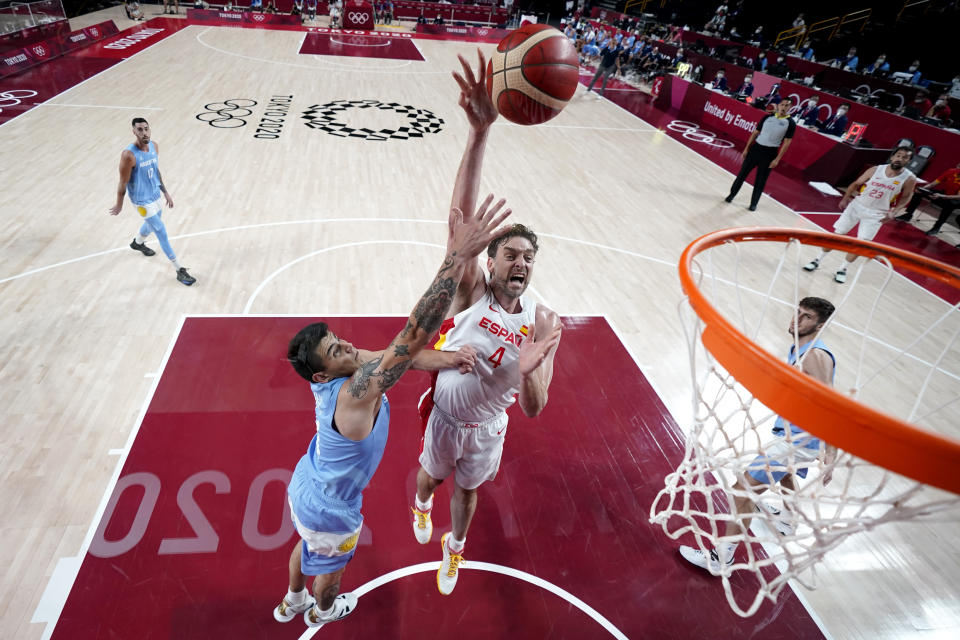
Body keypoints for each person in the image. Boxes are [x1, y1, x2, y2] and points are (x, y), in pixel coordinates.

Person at [274, 194, 512, 628]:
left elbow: (397, 355)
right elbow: (411, 336)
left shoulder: (341, 369)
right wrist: (455, 257)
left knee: (305, 544)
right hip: (332, 508)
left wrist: (449, 358)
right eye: (334, 349)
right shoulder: (355, 392)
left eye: (338, 338)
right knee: (330, 568)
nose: (346, 345)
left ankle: (292, 599)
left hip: (306, 482)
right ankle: (322, 610)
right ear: (322, 376)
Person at [410, 51, 563, 596]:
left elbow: (535, 409)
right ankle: (421, 503)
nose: (520, 262)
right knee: (429, 478)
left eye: (528, 257)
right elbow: (460, 224)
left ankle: (455, 550)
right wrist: (479, 135)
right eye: (511, 254)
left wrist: (533, 363)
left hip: (488, 430)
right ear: (492, 262)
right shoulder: (473, 290)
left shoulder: (543, 322)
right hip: (446, 416)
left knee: (469, 494)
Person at [679, 297, 837, 571]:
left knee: (743, 490)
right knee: (784, 474)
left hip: (798, 440)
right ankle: (786, 519)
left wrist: (831, 453)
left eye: (807, 317)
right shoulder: (800, 348)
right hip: (793, 435)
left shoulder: (815, 355)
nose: (797, 319)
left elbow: (831, 405)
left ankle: (721, 558)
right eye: (797, 312)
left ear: (820, 325)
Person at [804, 147, 916, 283]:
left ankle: (842, 269)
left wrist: (895, 211)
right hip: (857, 206)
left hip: (877, 214)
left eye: (905, 157)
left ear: (909, 161)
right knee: (838, 235)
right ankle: (817, 260)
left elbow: (906, 197)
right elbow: (856, 184)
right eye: (898, 155)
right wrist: (846, 198)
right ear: (892, 157)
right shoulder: (876, 169)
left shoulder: (909, 178)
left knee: (861, 244)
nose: (900, 159)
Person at [108, 118, 196, 286]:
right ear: (134, 132)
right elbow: (122, 182)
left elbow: (155, 170)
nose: (144, 133)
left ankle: (138, 243)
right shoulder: (129, 155)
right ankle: (179, 270)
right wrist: (119, 203)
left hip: (155, 194)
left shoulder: (154, 146)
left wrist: (165, 192)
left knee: (154, 222)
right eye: (140, 130)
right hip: (141, 200)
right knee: (160, 230)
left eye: (146, 129)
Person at [724, 98, 796, 211]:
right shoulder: (768, 117)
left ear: (790, 107)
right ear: (779, 105)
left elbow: (787, 143)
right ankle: (731, 195)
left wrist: (777, 159)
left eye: (787, 105)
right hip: (756, 149)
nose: (784, 107)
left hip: (770, 153)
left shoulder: (790, 123)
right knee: (742, 174)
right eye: (782, 104)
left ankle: (753, 203)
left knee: (760, 181)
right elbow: (755, 133)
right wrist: (747, 148)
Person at [895, 161, 960, 234]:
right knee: (919, 193)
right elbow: (932, 184)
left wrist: (942, 196)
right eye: (958, 166)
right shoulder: (950, 171)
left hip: (956, 200)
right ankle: (908, 215)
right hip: (945, 194)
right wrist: (922, 189)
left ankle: (936, 227)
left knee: (949, 205)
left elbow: (958, 196)